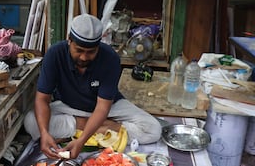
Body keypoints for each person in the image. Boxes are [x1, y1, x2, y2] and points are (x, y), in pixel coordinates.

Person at [23, 13, 162, 159]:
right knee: (31, 123)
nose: (84, 57)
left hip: (109, 108)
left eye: (91, 52)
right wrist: (44, 134)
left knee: (153, 130)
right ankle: (101, 126)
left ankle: (89, 127)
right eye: (79, 50)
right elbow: (42, 99)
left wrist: (81, 141)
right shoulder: (54, 54)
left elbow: (102, 107)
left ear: (99, 46)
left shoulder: (110, 58)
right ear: (69, 40)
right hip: (69, 106)